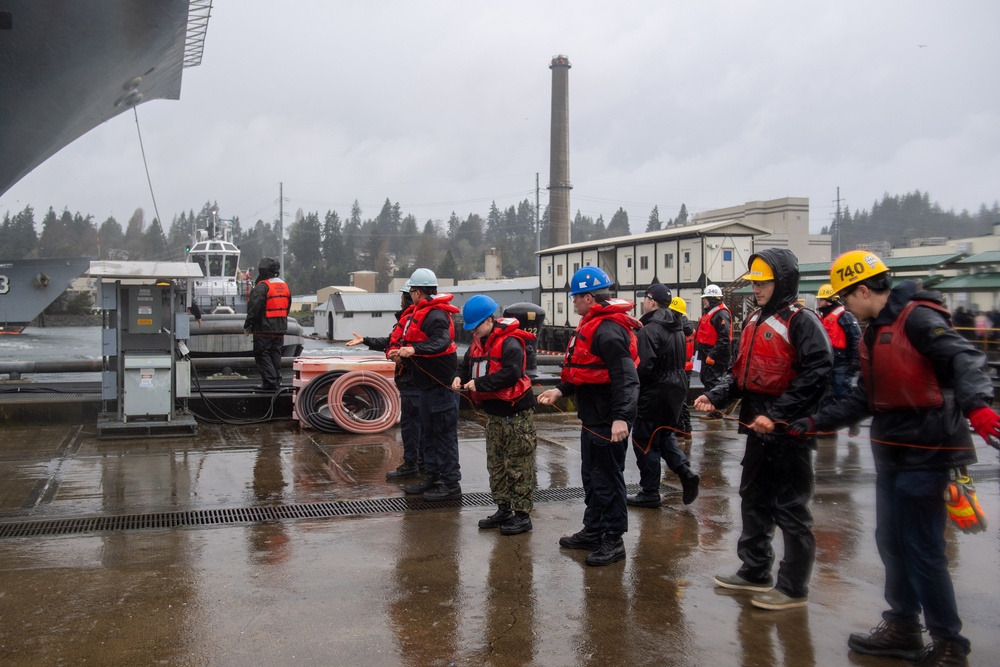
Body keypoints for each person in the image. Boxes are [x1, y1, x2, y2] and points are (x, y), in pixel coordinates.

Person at [788, 250, 1000, 666]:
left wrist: (977, 405)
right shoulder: (875, 330)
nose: (843, 306)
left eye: (845, 297)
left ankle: (949, 644)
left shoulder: (918, 319)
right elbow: (865, 397)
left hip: (928, 451)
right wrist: (813, 421)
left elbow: (965, 357)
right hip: (894, 453)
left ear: (864, 290)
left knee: (922, 548)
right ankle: (903, 626)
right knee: (892, 542)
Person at [694, 249, 832, 610]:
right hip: (757, 427)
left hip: (789, 432)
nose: (756, 289)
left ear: (782, 282)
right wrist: (715, 396)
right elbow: (739, 374)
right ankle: (754, 570)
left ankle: (793, 587)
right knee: (754, 498)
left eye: (763, 283)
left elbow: (818, 373)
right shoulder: (755, 319)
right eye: (754, 283)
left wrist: (779, 414)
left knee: (791, 509)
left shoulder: (802, 321)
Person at [538, 266, 640, 567]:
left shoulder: (608, 331)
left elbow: (627, 378)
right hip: (594, 419)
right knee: (592, 478)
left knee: (608, 480)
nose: (573, 301)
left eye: (576, 297)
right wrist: (560, 390)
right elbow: (586, 372)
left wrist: (621, 418)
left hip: (608, 421)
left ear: (589, 298)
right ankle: (593, 530)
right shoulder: (594, 326)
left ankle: (614, 540)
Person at [453, 295, 538, 535]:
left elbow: (512, 373)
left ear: (490, 320)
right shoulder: (476, 344)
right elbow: (465, 365)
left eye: (477, 326)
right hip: (493, 415)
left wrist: (480, 384)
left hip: (515, 414)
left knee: (518, 464)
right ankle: (503, 509)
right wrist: (458, 377)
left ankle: (522, 515)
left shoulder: (510, 343)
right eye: (472, 328)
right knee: (496, 464)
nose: (474, 331)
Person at [389, 268, 462, 501]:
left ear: (418, 292)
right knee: (428, 435)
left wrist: (414, 349)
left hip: (440, 389)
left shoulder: (436, 315)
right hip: (425, 387)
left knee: (444, 437)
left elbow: (441, 341)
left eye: (411, 291)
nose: (409, 295)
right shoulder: (421, 313)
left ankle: (450, 484)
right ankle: (432, 477)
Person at [627, 284, 700, 508]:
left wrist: (630, 384)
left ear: (652, 301)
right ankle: (685, 471)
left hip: (655, 391)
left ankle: (650, 492)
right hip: (676, 389)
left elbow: (645, 366)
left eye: (645, 299)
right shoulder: (677, 327)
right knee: (664, 434)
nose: (643, 302)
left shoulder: (649, 330)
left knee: (644, 439)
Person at [346, 281, 422, 480]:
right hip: (412, 382)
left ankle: (413, 465)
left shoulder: (413, 320)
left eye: (402, 297)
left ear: (410, 296)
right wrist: (366, 340)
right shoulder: (410, 319)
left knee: (412, 426)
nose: (400, 301)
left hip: (413, 382)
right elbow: (391, 342)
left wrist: (402, 357)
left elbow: (412, 348)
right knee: (416, 426)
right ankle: (420, 463)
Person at [816, 283, 863, 436]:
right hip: (827, 361)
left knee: (843, 393)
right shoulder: (823, 317)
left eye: (821, 300)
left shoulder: (845, 316)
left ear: (829, 300)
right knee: (826, 395)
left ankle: (853, 420)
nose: (819, 302)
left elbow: (856, 338)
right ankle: (828, 428)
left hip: (841, 361)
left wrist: (855, 360)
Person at [243, 257, 290, 391]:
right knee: (275, 353)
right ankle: (277, 381)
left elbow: (254, 309)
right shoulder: (284, 286)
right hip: (280, 328)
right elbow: (287, 307)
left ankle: (270, 382)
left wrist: (248, 325)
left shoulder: (262, 287)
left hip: (263, 329)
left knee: (262, 354)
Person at [694, 284, 732, 419]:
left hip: (714, 354)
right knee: (706, 378)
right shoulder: (712, 312)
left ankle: (717, 411)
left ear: (712, 299)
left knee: (712, 381)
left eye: (706, 299)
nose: (704, 301)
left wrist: (712, 355)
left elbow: (724, 338)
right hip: (706, 352)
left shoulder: (721, 314)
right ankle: (717, 408)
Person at [670, 296, 695, 441]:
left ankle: (679, 431)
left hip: (679, 366)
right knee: (683, 399)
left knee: (677, 400)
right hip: (688, 366)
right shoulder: (689, 327)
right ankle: (687, 430)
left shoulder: (676, 328)